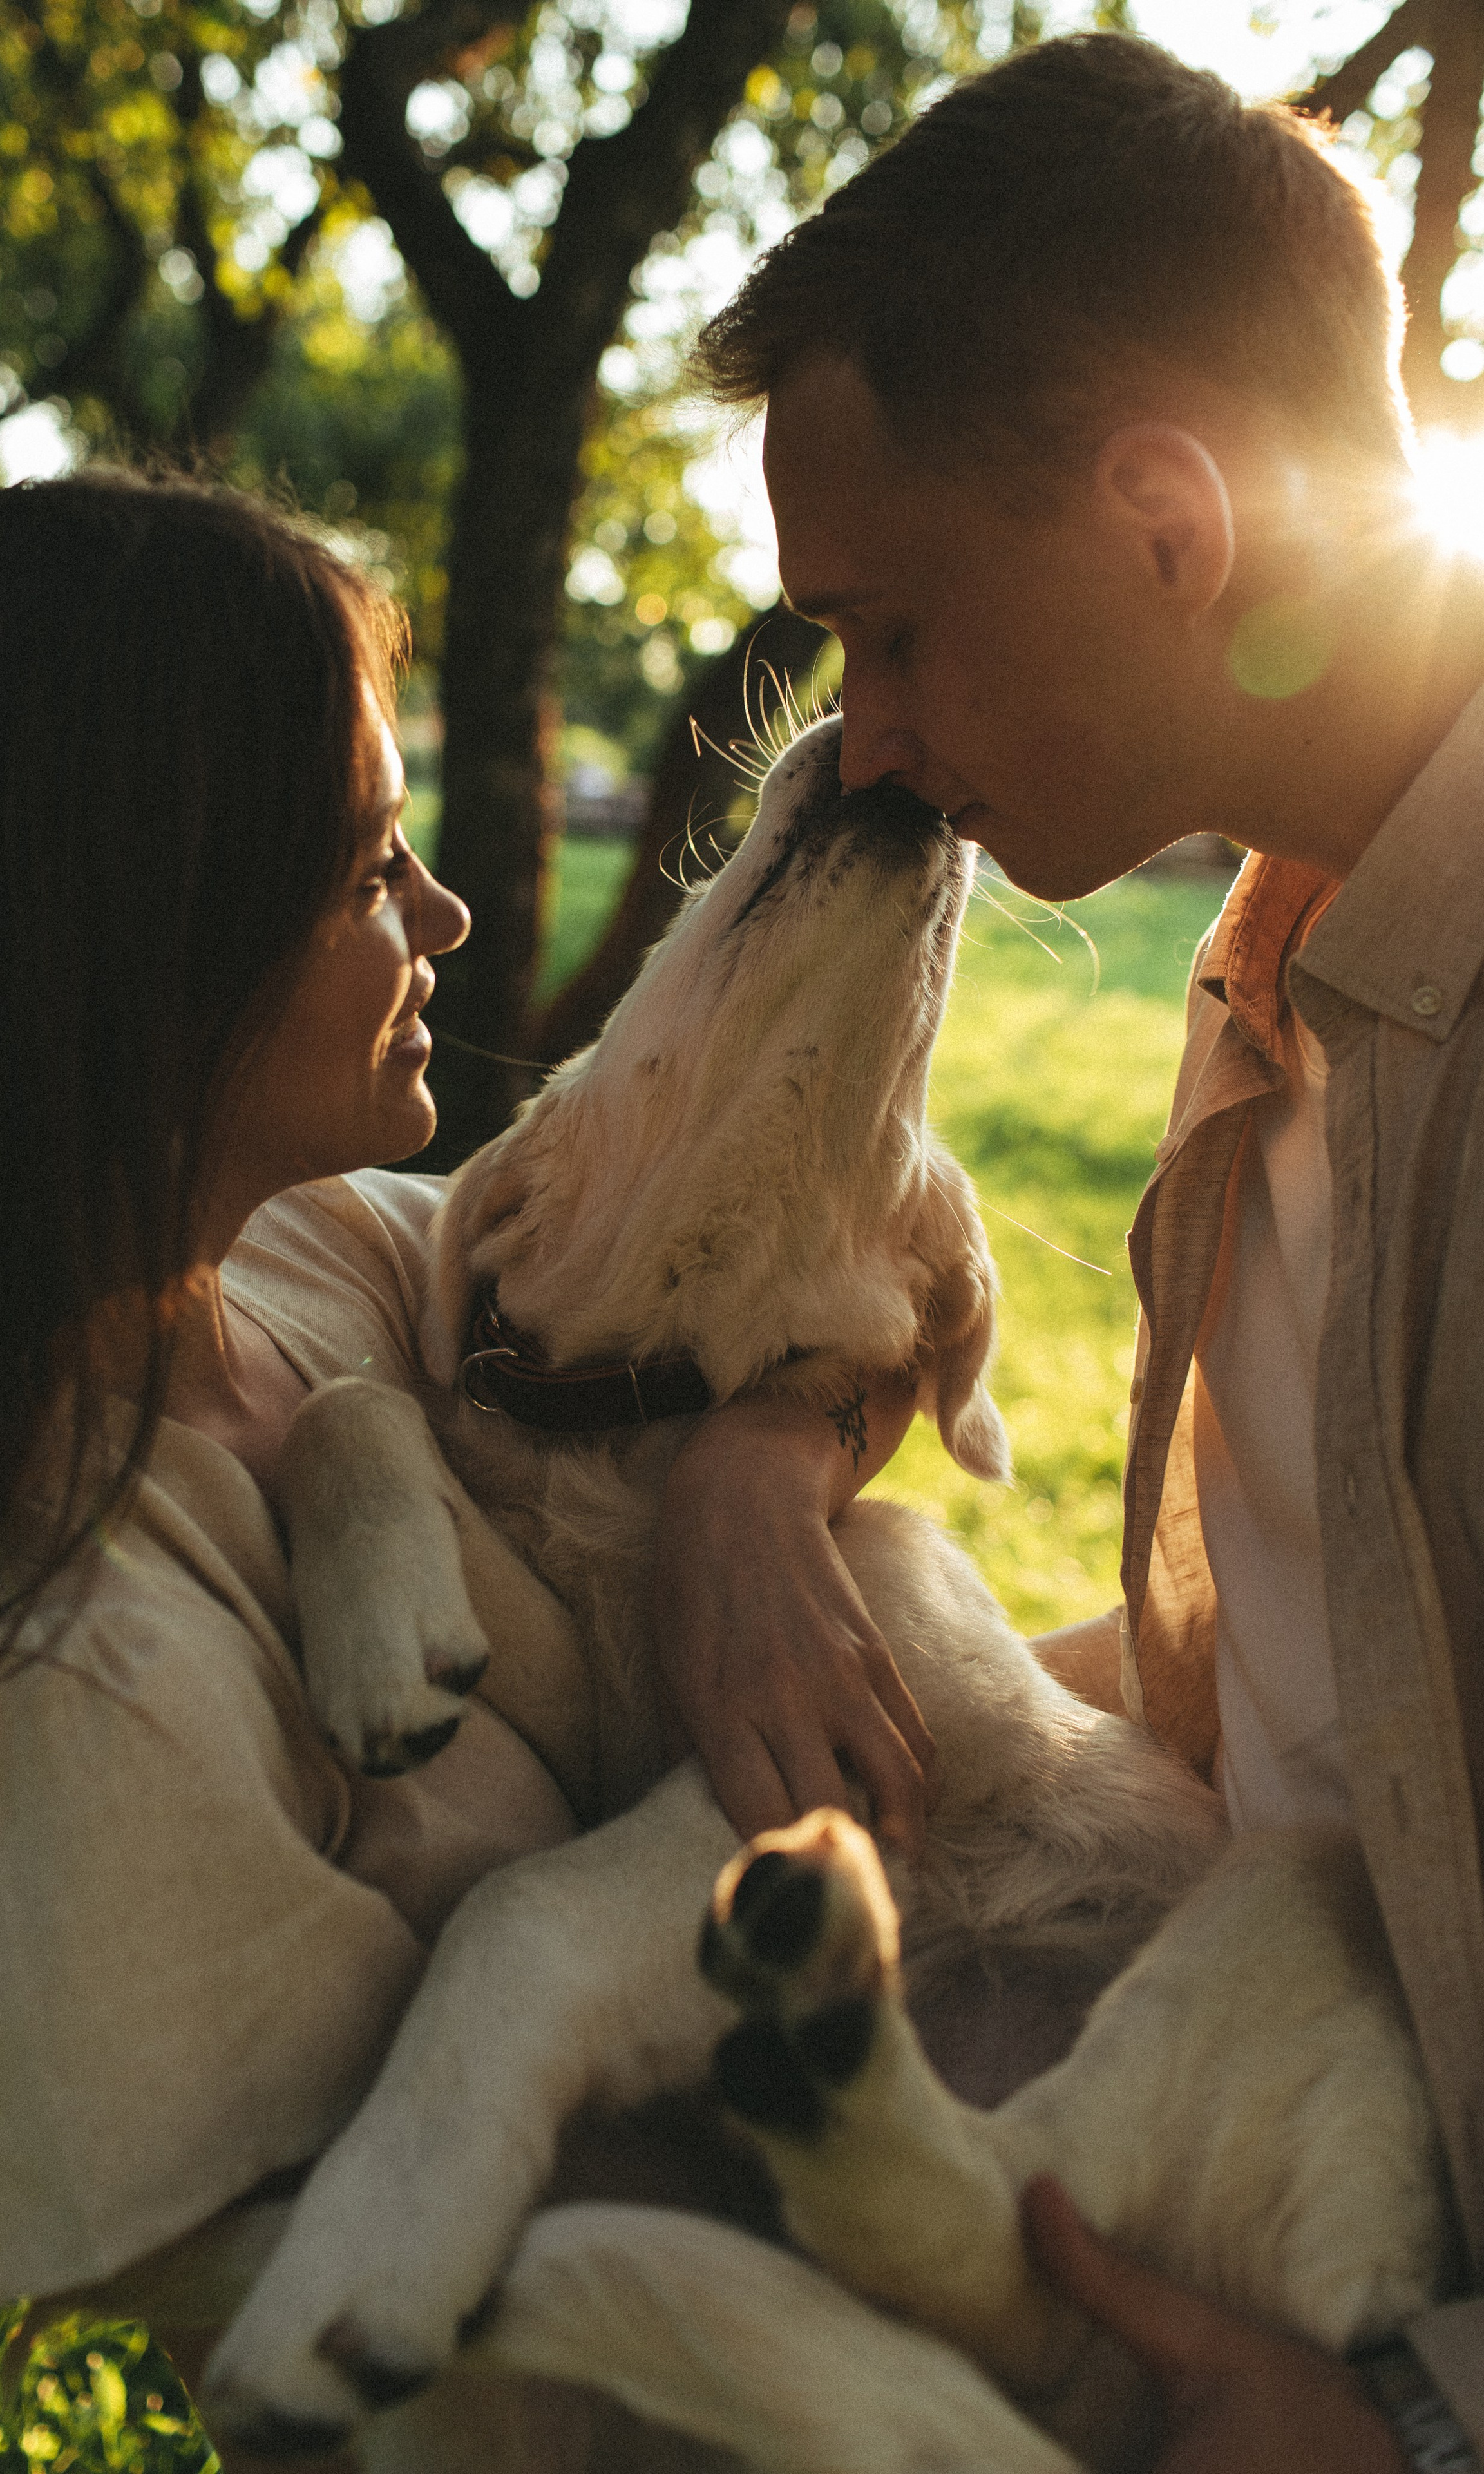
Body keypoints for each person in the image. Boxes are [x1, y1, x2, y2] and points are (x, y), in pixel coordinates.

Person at [0, 471, 925, 2457]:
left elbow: (835, 1327)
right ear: (128, 941)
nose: (449, 914)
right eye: (364, 870)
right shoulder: (75, 1674)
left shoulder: (316, 1258)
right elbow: (342, 2330)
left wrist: (757, 1465)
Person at [692, 26, 1484, 2473]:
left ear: (1168, 519)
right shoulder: (1281, 964)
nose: (862, 739)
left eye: (896, 627)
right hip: (1270, 2137)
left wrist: (1417, 2423)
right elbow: (1312, 1690)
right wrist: (746, 1471)